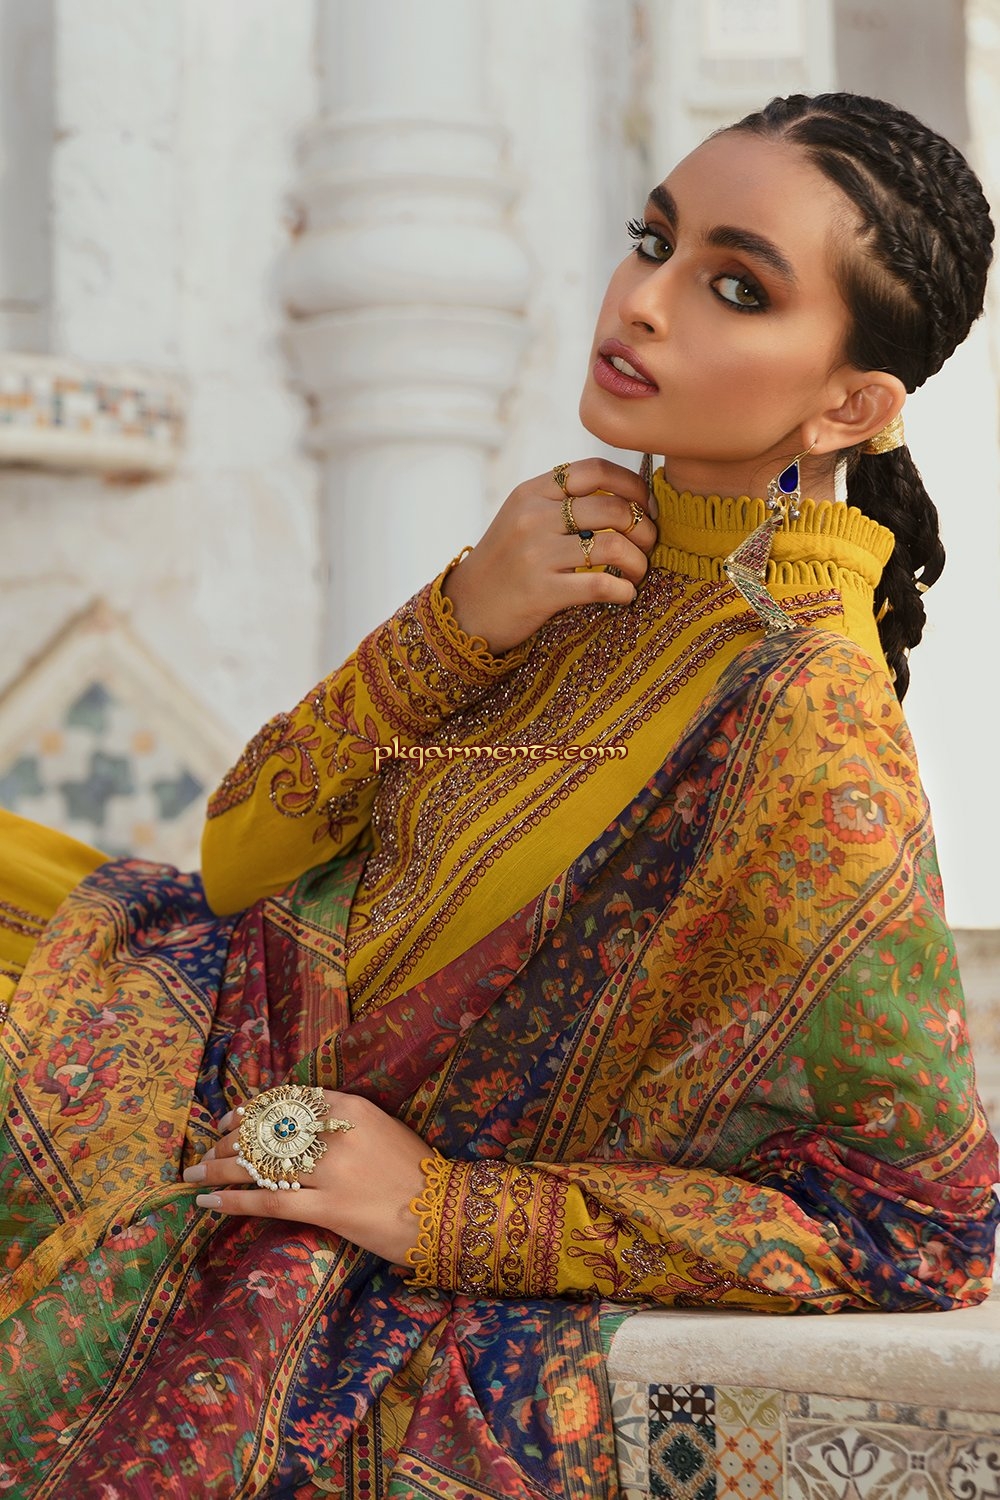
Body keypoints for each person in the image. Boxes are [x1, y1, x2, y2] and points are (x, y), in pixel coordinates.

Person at [1, 90, 997, 1498]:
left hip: (236, 1140)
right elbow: (235, 859)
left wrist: (448, 1210)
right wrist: (462, 614)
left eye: (734, 287)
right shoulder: (574, 551)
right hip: (162, 997)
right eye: (651, 238)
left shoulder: (807, 716)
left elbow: (914, 1233)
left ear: (852, 404)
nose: (642, 300)